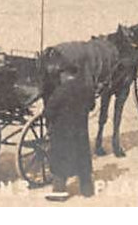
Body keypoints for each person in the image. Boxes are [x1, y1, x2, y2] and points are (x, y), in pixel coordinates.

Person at [43, 62, 96, 200]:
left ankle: (59, 192)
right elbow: (92, 105)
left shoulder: (61, 91)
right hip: (80, 131)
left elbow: (49, 111)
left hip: (63, 133)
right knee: (83, 159)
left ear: (65, 74)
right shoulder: (85, 89)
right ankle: (87, 190)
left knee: (60, 160)